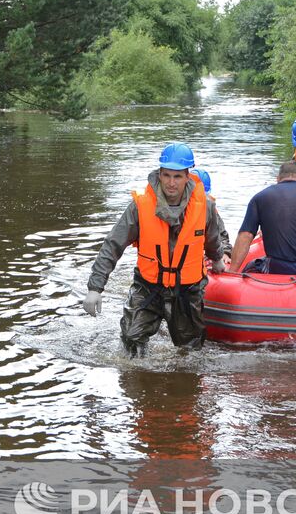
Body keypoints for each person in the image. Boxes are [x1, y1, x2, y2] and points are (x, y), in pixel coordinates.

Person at [83, 143, 230, 356]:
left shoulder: (205, 207)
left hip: (187, 289)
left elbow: (212, 239)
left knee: (190, 352)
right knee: (131, 340)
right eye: (166, 175)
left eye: (177, 176)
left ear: (187, 176)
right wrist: (95, 288)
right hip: (148, 286)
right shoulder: (140, 206)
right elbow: (113, 245)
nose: (171, 183)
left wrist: (217, 259)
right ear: (159, 174)